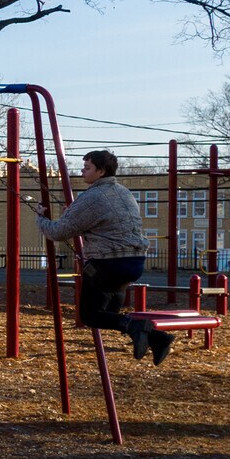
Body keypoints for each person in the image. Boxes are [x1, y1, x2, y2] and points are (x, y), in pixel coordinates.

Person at [30, 149, 173, 365]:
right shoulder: (123, 192)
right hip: (134, 263)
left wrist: (40, 218)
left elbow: (58, 232)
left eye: (87, 167)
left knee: (90, 315)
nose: (82, 171)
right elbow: (103, 219)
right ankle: (158, 338)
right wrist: (74, 212)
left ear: (101, 171)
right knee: (110, 314)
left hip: (108, 263)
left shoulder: (93, 197)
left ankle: (144, 329)